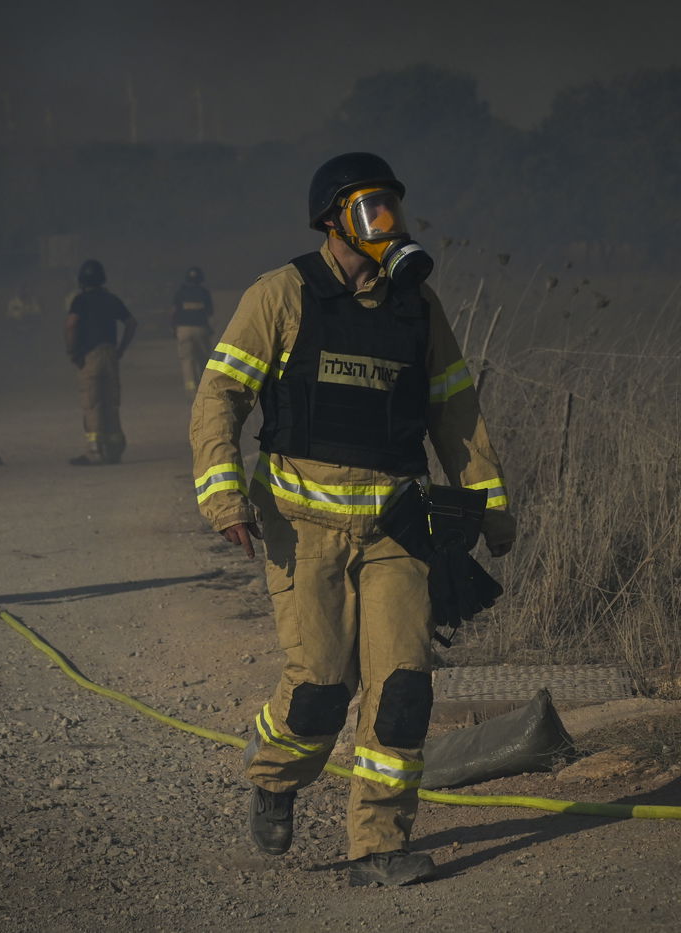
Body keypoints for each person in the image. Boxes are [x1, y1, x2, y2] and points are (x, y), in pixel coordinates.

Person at [188, 152, 515, 887]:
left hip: (398, 525)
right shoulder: (282, 295)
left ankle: (379, 843)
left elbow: (455, 411)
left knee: (403, 689)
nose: (386, 224)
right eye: (370, 209)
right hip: (302, 526)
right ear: (333, 219)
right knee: (319, 690)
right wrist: (222, 495)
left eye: (393, 207)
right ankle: (274, 775)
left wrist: (490, 501)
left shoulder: (417, 309)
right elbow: (219, 396)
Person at [64, 259, 136, 465]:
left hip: (90, 356)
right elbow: (131, 322)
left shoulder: (80, 300)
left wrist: (72, 352)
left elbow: (71, 325)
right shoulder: (111, 299)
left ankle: (94, 452)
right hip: (110, 354)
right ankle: (114, 451)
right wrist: (121, 349)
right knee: (111, 402)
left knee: (93, 403)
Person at [172, 266, 214, 395]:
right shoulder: (204, 293)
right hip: (201, 329)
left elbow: (173, 312)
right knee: (203, 358)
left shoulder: (180, 293)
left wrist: (174, 328)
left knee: (187, 360)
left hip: (183, 329)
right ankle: (204, 387)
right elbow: (210, 312)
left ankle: (190, 388)